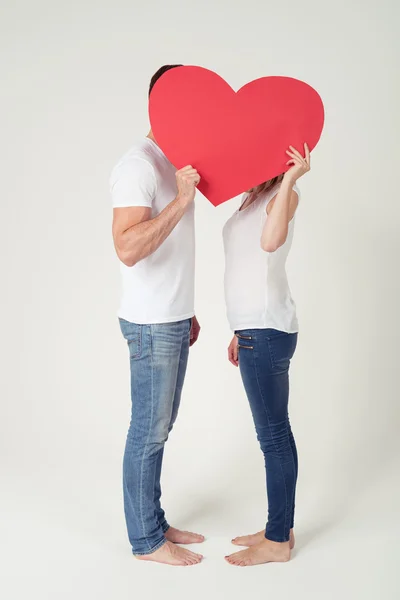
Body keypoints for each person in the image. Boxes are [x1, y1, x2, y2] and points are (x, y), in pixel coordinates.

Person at [110, 65, 204, 566]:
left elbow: (174, 250)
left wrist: (186, 309)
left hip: (171, 317)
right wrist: (183, 201)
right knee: (147, 429)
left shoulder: (174, 161)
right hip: (149, 323)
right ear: (158, 105)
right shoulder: (138, 165)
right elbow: (127, 247)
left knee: (160, 427)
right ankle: (145, 541)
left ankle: (154, 519)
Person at [223, 143, 311, 566]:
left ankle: (277, 540)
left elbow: (270, 242)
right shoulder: (254, 195)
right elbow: (247, 266)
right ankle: (281, 526)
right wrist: (240, 330)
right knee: (277, 434)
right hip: (255, 328)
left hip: (268, 328)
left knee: (273, 437)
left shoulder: (284, 194)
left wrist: (292, 177)